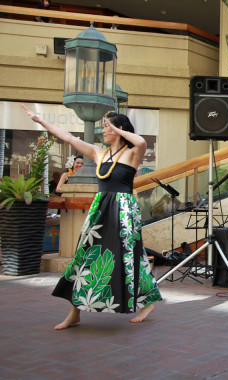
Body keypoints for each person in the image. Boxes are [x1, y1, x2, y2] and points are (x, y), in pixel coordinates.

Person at [21, 104, 162, 330]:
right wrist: (40, 121)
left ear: (119, 129)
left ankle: (147, 302)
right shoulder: (99, 153)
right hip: (101, 207)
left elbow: (141, 142)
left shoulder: (132, 153)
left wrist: (116, 127)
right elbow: (68, 137)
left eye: (107, 128)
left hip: (124, 208)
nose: (103, 132)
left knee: (128, 256)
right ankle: (74, 312)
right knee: (85, 254)